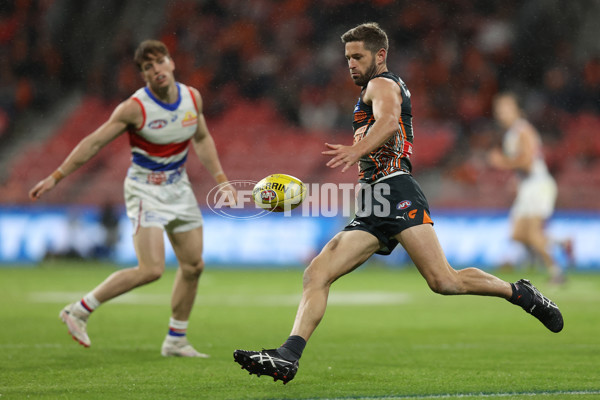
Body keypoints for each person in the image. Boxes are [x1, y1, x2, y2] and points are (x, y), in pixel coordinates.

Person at [233, 23, 563, 384]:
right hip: (375, 199)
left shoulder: (382, 84)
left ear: (380, 55)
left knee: (444, 281)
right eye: (347, 58)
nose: (351, 64)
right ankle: (288, 355)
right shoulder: (378, 87)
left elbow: (389, 122)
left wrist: (356, 149)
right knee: (317, 272)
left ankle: (520, 293)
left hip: (395, 190)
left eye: (357, 56)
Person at [29, 40, 236, 357]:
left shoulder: (192, 97)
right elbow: (94, 142)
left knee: (193, 265)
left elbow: (203, 137)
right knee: (151, 269)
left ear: (171, 62)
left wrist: (222, 181)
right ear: (143, 75)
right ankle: (79, 310)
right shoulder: (134, 108)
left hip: (178, 188)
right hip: (145, 190)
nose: (156, 69)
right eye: (147, 67)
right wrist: (56, 176)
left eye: (159, 61)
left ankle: (176, 340)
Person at [489, 92, 568, 283]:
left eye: (505, 108)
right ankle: (562, 242)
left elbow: (528, 163)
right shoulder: (512, 133)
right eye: (498, 109)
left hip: (538, 185)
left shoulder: (523, 130)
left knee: (532, 233)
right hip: (528, 186)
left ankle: (556, 273)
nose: (501, 113)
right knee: (517, 234)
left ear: (517, 109)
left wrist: (502, 162)